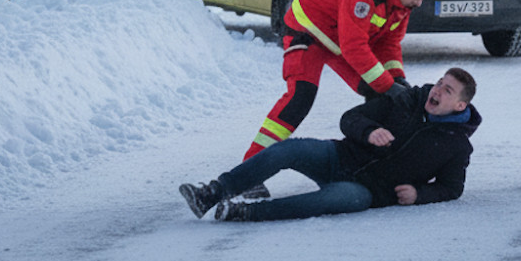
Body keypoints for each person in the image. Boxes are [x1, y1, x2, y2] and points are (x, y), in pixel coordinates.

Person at [237, 0, 435, 199]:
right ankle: (249, 172)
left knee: (380, 94)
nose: (419, 4)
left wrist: (396, 78)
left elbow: (389, 43)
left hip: (338, 37)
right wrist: (387, 85)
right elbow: (354, 47)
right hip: (307, 30)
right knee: (300, 99)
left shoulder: (402, 3)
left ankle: (371, 165)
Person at [180, 68, 480, 222]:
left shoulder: (457, 145)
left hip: (369, 191)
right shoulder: (406, 99)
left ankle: (246, 213)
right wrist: (369, 131)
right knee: (288, 149)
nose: (437, 90)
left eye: (448, 90)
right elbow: (350, 118)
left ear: (460, 105)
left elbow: (452, 188)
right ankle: (212, 193)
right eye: (439, 83)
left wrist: (419, 194)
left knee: (328, 200)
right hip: (339, 157)